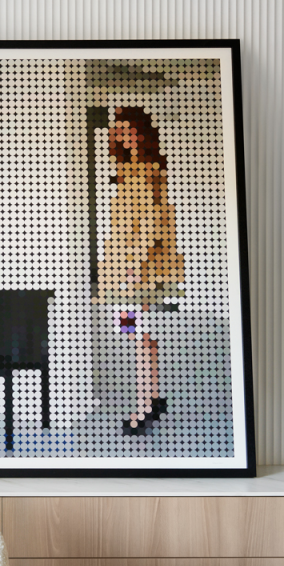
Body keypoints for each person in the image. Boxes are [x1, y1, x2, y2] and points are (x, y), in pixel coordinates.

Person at [96, 106, 185, 435]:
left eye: (128, 128)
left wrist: (133, 265)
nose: (123, 135)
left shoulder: (145, 171)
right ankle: (153, 399)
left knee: (139, 337)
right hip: (130, 269)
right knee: (141, 336)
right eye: (119, 130)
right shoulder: (131, 169)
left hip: (136, 272)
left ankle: (144, 409)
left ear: (141, 132)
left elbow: (151, 223)